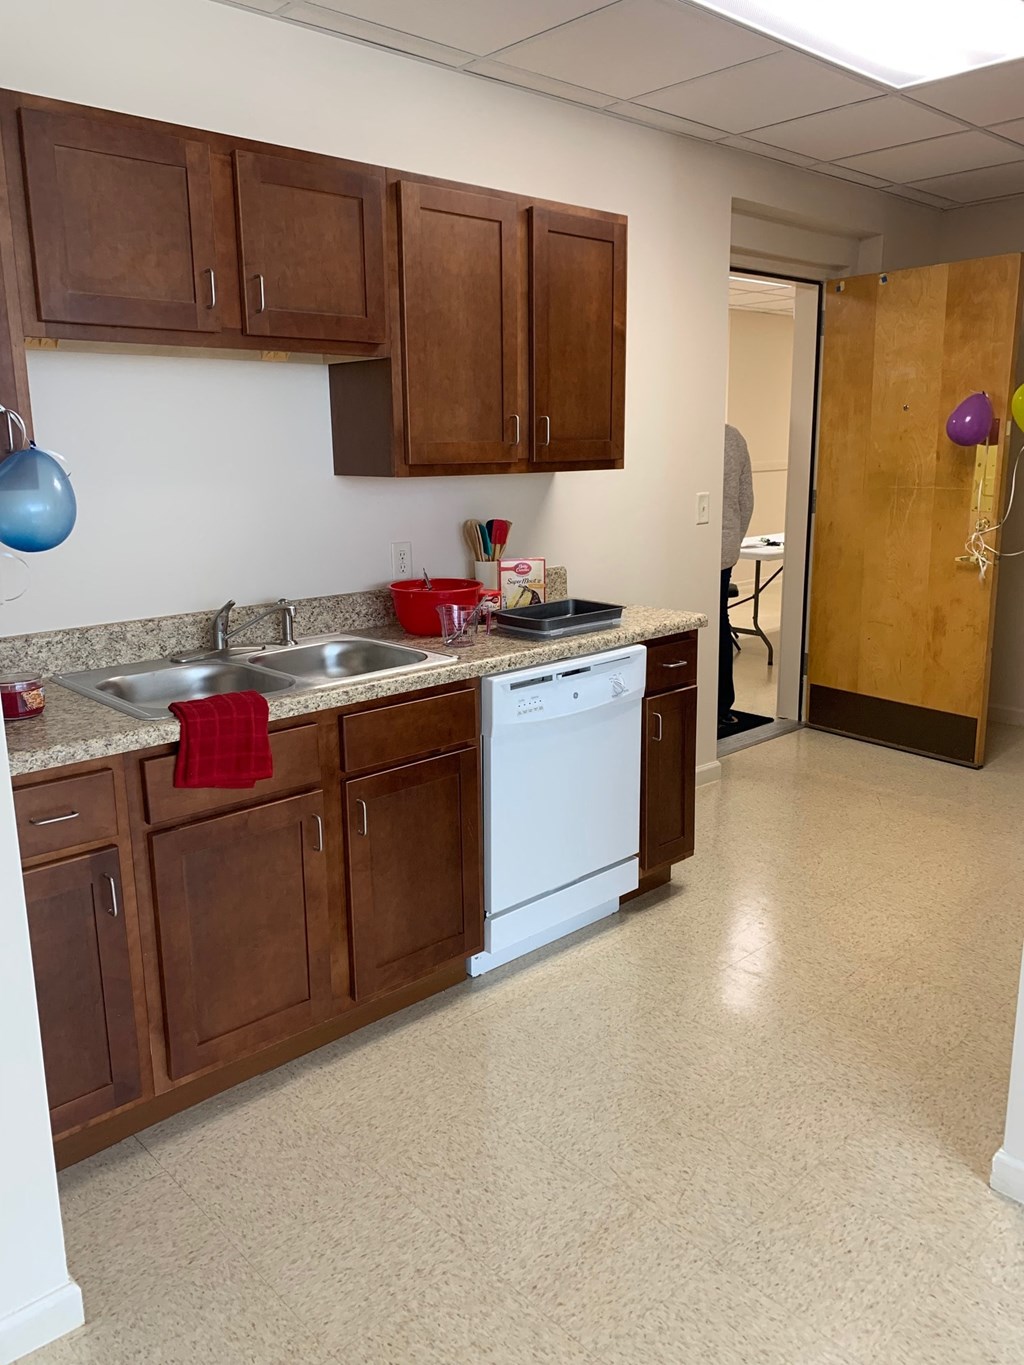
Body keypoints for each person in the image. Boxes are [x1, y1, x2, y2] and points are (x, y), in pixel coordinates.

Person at [719, 424, 754, 735]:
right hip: (725, 548)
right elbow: (746, 500)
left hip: (694, 552)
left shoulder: (687, 437)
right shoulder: (733, 437)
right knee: (719, 624)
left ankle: (707, 704)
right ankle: (723, 707)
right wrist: (734, 540)